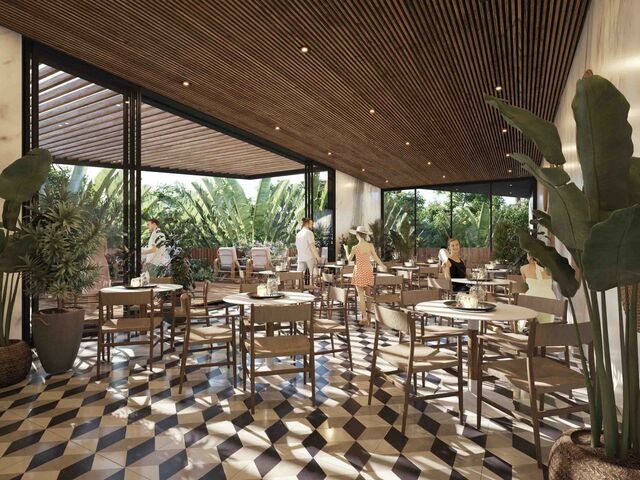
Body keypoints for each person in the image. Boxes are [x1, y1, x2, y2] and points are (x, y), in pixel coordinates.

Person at [344, 225, 387, 326]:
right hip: (368, 270)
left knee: (361, 295)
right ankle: (369, 316)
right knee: (368, 294)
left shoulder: (355, 247)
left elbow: (348, 260)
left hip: (359, 271)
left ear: (357, 235)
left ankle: (364, 318)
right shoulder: (370, 246)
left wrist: (346, 249)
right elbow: (375, 258)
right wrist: (383, 265)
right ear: (365, 235)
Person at [520, 255, 556, 323]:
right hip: (550, 300)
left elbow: (525, 282)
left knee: (521, 298)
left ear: (528, 256)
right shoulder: (550, 268)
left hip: (532, 299)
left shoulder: (523, 268)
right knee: (546, 324)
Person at [296, 218, 321, 282]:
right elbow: (312, 246)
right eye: (311, 224)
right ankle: (312, 286)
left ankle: (298, 286)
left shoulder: (298, 234)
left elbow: (297, 247)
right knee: (313, 275)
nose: (312, 225)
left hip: (301, 257)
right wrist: (318, 258)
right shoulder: (309, 233)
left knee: (299, 275)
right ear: (307, 224)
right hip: (309, 257)